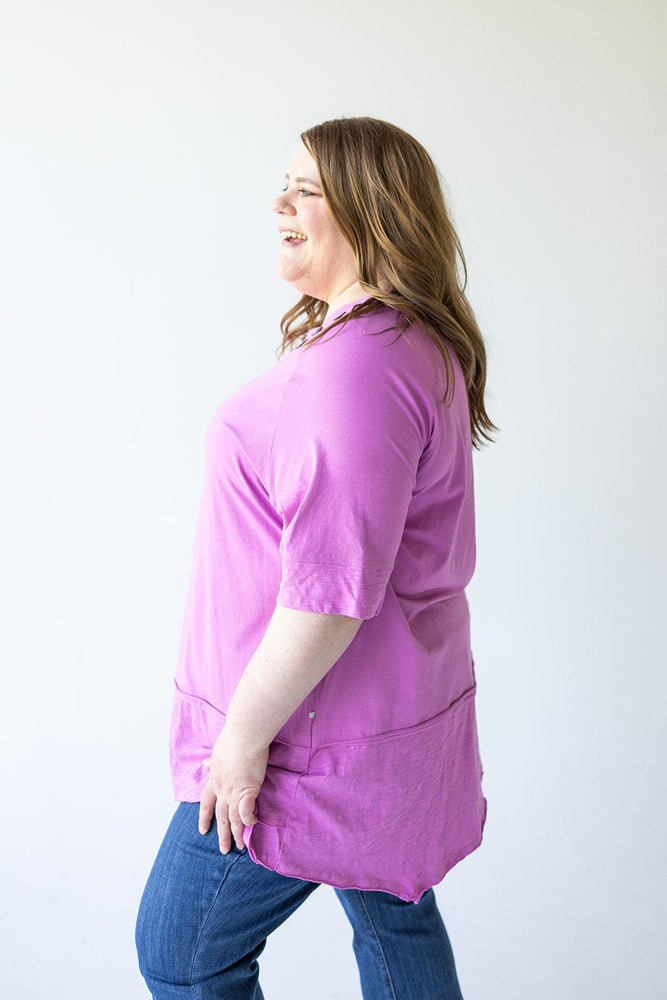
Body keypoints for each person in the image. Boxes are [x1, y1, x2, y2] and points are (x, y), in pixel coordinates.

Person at [135, 115, 495, 1000]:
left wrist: (242, 742)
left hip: (310, 735)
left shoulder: (358, 371)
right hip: (374, 719)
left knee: (181, 954)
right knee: (392, 914)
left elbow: (332, 592)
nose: (279, 204)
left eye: (304, 188)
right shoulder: (406, 346)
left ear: (368, 209)